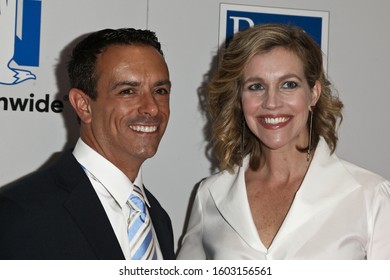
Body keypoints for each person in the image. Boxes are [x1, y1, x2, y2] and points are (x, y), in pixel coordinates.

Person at [177, 24, 390, 260]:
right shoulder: (210, 195)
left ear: (314, 93)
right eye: (256, 86)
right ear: (239, 99)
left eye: (289, 84)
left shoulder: (370, 195)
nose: (272, 102)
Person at [0, 28, 175, 260]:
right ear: (83, 105)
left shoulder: (158, 218)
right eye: (128, 91)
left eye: (160, 91)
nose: (152, 108)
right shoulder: (21, 213)